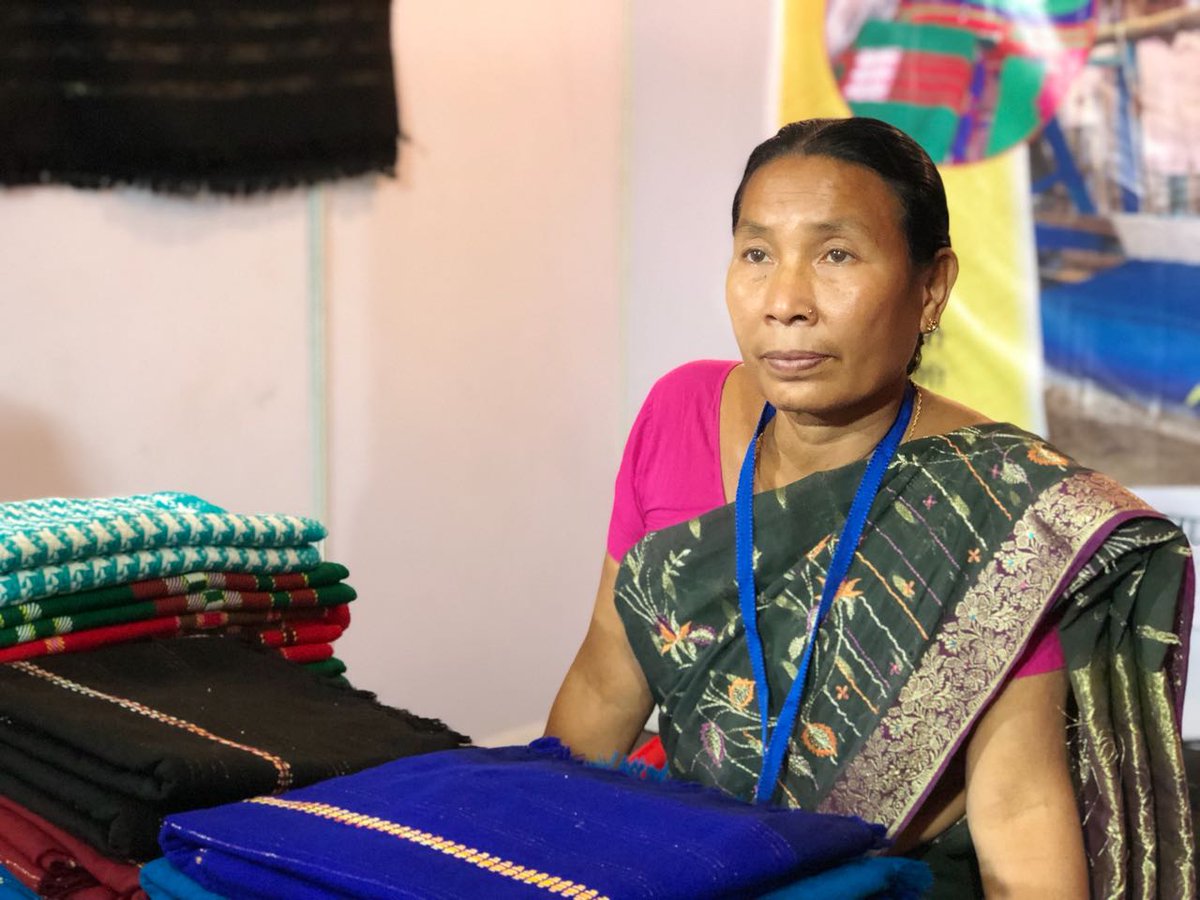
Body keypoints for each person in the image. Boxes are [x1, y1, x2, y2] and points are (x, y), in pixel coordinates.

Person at [545, 117, 1196, 898]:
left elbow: (1019, 811)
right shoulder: (678, 414)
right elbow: (602, 686)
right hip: (694, 864)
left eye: (836, 255)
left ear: (932, 287)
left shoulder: (1001, 506)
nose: (785, 302)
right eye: (757, 254)